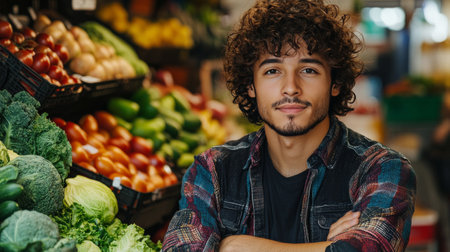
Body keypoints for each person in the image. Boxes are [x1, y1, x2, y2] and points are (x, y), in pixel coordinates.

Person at [162, 0, 416, 251]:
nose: (291, 87)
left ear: (335, 83)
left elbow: (374, 247)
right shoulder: (212, 171)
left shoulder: (380, 168)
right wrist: (327, 247)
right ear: (251, 86)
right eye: (273, 71)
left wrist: (233, 246)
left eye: (308, 70)